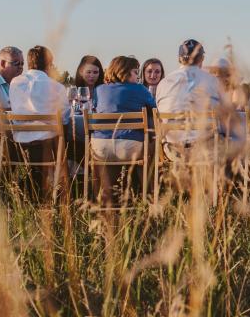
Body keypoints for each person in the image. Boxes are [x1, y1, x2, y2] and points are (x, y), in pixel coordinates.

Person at [91, 55, 158, 202]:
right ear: (125, 72)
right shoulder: (140, 89)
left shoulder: (99, 89)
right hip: (129, 148)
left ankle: (101, 198)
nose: (137, 76)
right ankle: (149, 195)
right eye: (135, 72)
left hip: (100, 148)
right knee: (151, 145)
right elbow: (155, 112)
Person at [7, 45, 69, 195]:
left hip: (19, 146)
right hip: (48, 146)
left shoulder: (15, 83)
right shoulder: (57, 87)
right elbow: (65, 118)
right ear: (49, 64)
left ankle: (27, 188)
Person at [156, 39, 226, 147]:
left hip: (173, 148)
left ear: (179, 59)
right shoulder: (213, 81)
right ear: (202, 58)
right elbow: (225, 113)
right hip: (206, 149)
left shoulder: (164, 83)